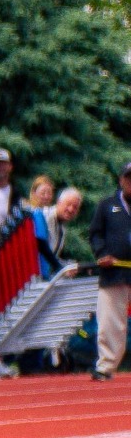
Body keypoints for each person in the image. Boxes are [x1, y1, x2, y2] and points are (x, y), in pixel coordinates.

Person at [89, 162, 131, 382]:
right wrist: (102, 254)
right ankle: (106, 365)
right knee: (110, 321)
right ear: (121, 180)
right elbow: (95, 234)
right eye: (129, 178)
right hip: (113, 272)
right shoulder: (107, 205)